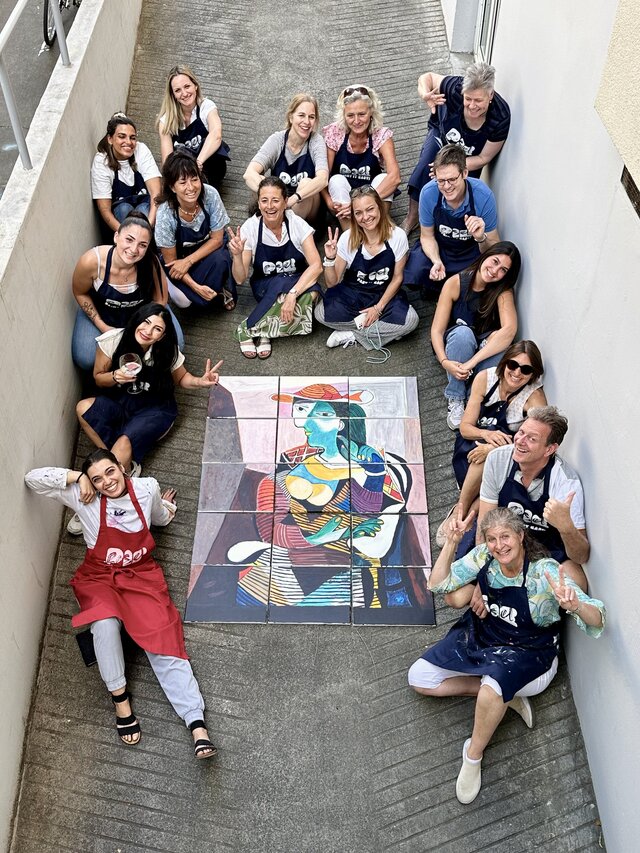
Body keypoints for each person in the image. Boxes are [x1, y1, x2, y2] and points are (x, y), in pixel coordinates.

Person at [25, 449, 217, 759]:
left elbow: (158, 517)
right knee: (104, 624)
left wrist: (167, 507)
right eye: (97, 478)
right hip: (99, 578)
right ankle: (120, 701)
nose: (106, 482)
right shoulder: (85, 496)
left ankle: (196, 724)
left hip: (141, 576)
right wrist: (77, 477)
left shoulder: (146, 488)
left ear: (122, 468)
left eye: (109, 472)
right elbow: (32, 479)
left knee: (164, 637)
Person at [408, 506, 605, 804]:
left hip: (530, 654)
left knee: (493, 686)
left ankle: (473, 755)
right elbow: (438, 584)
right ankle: (505, 700)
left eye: (505, 537)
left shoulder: (544, 572)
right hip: (485, 637)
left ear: (521, 536)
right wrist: (451, 542)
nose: (499, 545)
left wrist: (575, 605)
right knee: (420, 678)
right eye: (492, 538)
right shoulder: (484, 557)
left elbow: (597, 619)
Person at [209, 383, 429, 611]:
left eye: (322, 415)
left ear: (341, 423)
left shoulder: (361, 471)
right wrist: (321, 537)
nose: (309, 423)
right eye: (305, 413)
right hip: (273, 581)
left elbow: (373, 523)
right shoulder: (281, 478)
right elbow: (271, 532)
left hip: (345, 580)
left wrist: (375, 473)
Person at [71, 303, 222, 536]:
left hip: (155, 409)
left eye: (157, 329)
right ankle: (125, 467)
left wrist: (200, 382)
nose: (148, 331)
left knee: (123, 442)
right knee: (83, 408)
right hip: (121, 402)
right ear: (137, 319)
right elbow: (98, 377)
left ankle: (95, 501)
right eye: (146, 322)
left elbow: (182, 378)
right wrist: (115, 376)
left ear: (163, 335)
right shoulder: (113, 340)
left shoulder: (167, 350)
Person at [446, 406, 590, 592]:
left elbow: (581, 557)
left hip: (545, 552)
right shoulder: (498, 459)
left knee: (577, 583)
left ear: (549, 449)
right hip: (501, 543)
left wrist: (567, 527)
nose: (520, 441)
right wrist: (484, 579)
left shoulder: (566, 483)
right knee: (455, 595)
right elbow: (485, 522)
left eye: (532, 439)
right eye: (521, 432)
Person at [441, 342, 546, 540]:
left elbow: (539, 440)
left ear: (533, 374)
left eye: (525, 369)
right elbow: (465, 428)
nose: (517, 373)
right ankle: (460, 510)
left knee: (492, 458)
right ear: (505, 363)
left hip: (509, 452)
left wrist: (494, 448)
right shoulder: (485, 378)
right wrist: (486, 435)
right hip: (471, 446)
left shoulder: (534, 397)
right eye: (513, 365)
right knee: (485, 454)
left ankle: (466, 515)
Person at [402, 61, 511, 232]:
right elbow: (427, 77)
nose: (472, 105)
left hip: (469, 156)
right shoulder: (454, 87)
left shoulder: (500, 117)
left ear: (490, 95)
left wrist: (451, 167)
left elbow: (484, 157)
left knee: (460, 185)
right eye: (468, 99)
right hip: (442, 136)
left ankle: (446, 224)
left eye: (478, 100)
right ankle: (413, 217)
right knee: (425, 168)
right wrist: (425, 94)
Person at [71, 213, 183, 372]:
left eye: (142, 245)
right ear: (116, 236)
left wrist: (141, 332)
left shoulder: (150, 263)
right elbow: (80, 292)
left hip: (141, 317)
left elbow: (160, 301)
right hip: (103, 313)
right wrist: (103, 327)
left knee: (177, 346)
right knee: (86, 358)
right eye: (129, 240)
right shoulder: (92, 261)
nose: (134, 249)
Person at [227, 176, 322, 360]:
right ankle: (248, 329)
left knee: (312, 295)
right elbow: (239, 278)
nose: (269, 206)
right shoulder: (250, 228)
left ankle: (265, 330)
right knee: (283, 290)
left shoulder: (296, 224)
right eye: (264, 200)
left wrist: (292, 294)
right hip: (265, 286)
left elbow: (316, 266)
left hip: (295, 282)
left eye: (275, 200)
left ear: (285, 202)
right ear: (258, 203)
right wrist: (237, 255)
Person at [315, 186, 419, 354]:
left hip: (384, 295)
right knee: (320, 313)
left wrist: (378, 309)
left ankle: (353, 334)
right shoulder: (347, 239)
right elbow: (332, 283)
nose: (365, 217)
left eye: (370, 209)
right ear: (354, 216)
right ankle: (378, 331)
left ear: (379, 207)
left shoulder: (397, 236)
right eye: (358, 213)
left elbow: (397, 278)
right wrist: (329, 259)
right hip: (353, 294)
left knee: (411, 321)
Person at [430, 241, 520, 430]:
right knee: (463, 334)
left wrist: (471, 363)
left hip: (480, 353)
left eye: (503, 270)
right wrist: (444, 361)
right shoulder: (456, 283)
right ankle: (456, 397)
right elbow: (437, 331)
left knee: (508, 348)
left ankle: (473, 398)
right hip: (457, 347)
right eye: (495, 261)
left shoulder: (502, 291)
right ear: (486, 256)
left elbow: (509, 330)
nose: (495, 271)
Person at [403, 144, 500, 295]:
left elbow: (494, 245)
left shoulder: (484, 196)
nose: (447, 186)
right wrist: (436, 260)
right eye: (441, 180)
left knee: (478, 283)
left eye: (452, 179)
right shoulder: (428, 193)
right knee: (414, 272)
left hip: (470, 251)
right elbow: (427, 236)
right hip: (440, 246)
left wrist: (481, 238)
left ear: (465, 173)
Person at [155, 151, 234, 311]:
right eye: (183, 182)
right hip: (179, 258)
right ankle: (207, 290)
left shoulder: (210, 195)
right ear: (172, 187)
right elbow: (173, 263)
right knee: (183, 302)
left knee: (221, 259)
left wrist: (188, 261)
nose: (191, 187)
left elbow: (217, 239)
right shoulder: (165, 214)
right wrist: (196, 287)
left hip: (208, 249)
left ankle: (219, 288)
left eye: (194, 179)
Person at [322, 85, 401, 229]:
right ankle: (350, 233)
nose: (356, 121)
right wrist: (328, 201)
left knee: (383, 178)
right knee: (336, 180)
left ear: (371, 112)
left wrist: (363, 204)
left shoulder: (381, 135)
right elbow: (322, 176)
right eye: (350, 115)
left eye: (362, 114)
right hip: (343, 201)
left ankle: (377, 229)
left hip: (372, 198)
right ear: (343, 115)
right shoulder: (335, 132)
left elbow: (395, 177)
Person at [243, 93, 328, 223]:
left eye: (311, 117)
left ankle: (289, 230)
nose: (306, 122)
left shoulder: (316, 141)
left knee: (306, 183)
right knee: (261, 181)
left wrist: (293, 199)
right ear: (291, 117)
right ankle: (262, 223)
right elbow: (249, 174)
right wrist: (272, 196)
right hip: (277, 203)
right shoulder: (277, 140)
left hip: (305, 208)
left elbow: (323, 179)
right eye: (301, 115)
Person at [157, 65, 230, 189]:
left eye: (187, 86)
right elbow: (167, 160)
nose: (184, 93)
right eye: (178, 90)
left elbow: (216, 135)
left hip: (209, 166)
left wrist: (198, 164)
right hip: (184, 171)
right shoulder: (166, 121)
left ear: (195, 85)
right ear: (173, 95)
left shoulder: (206, 106)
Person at [91, 113, 161, 234]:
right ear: (110, 139)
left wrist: (148, 227)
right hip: (119, 221)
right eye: (122, 136)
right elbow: (104, 209)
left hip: (146, 210)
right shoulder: (102, 161)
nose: (128, 142)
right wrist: (124, 235)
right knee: (124, 209)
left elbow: (156, 193)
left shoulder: (141, 150)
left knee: (143, 211)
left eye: (132, 138)